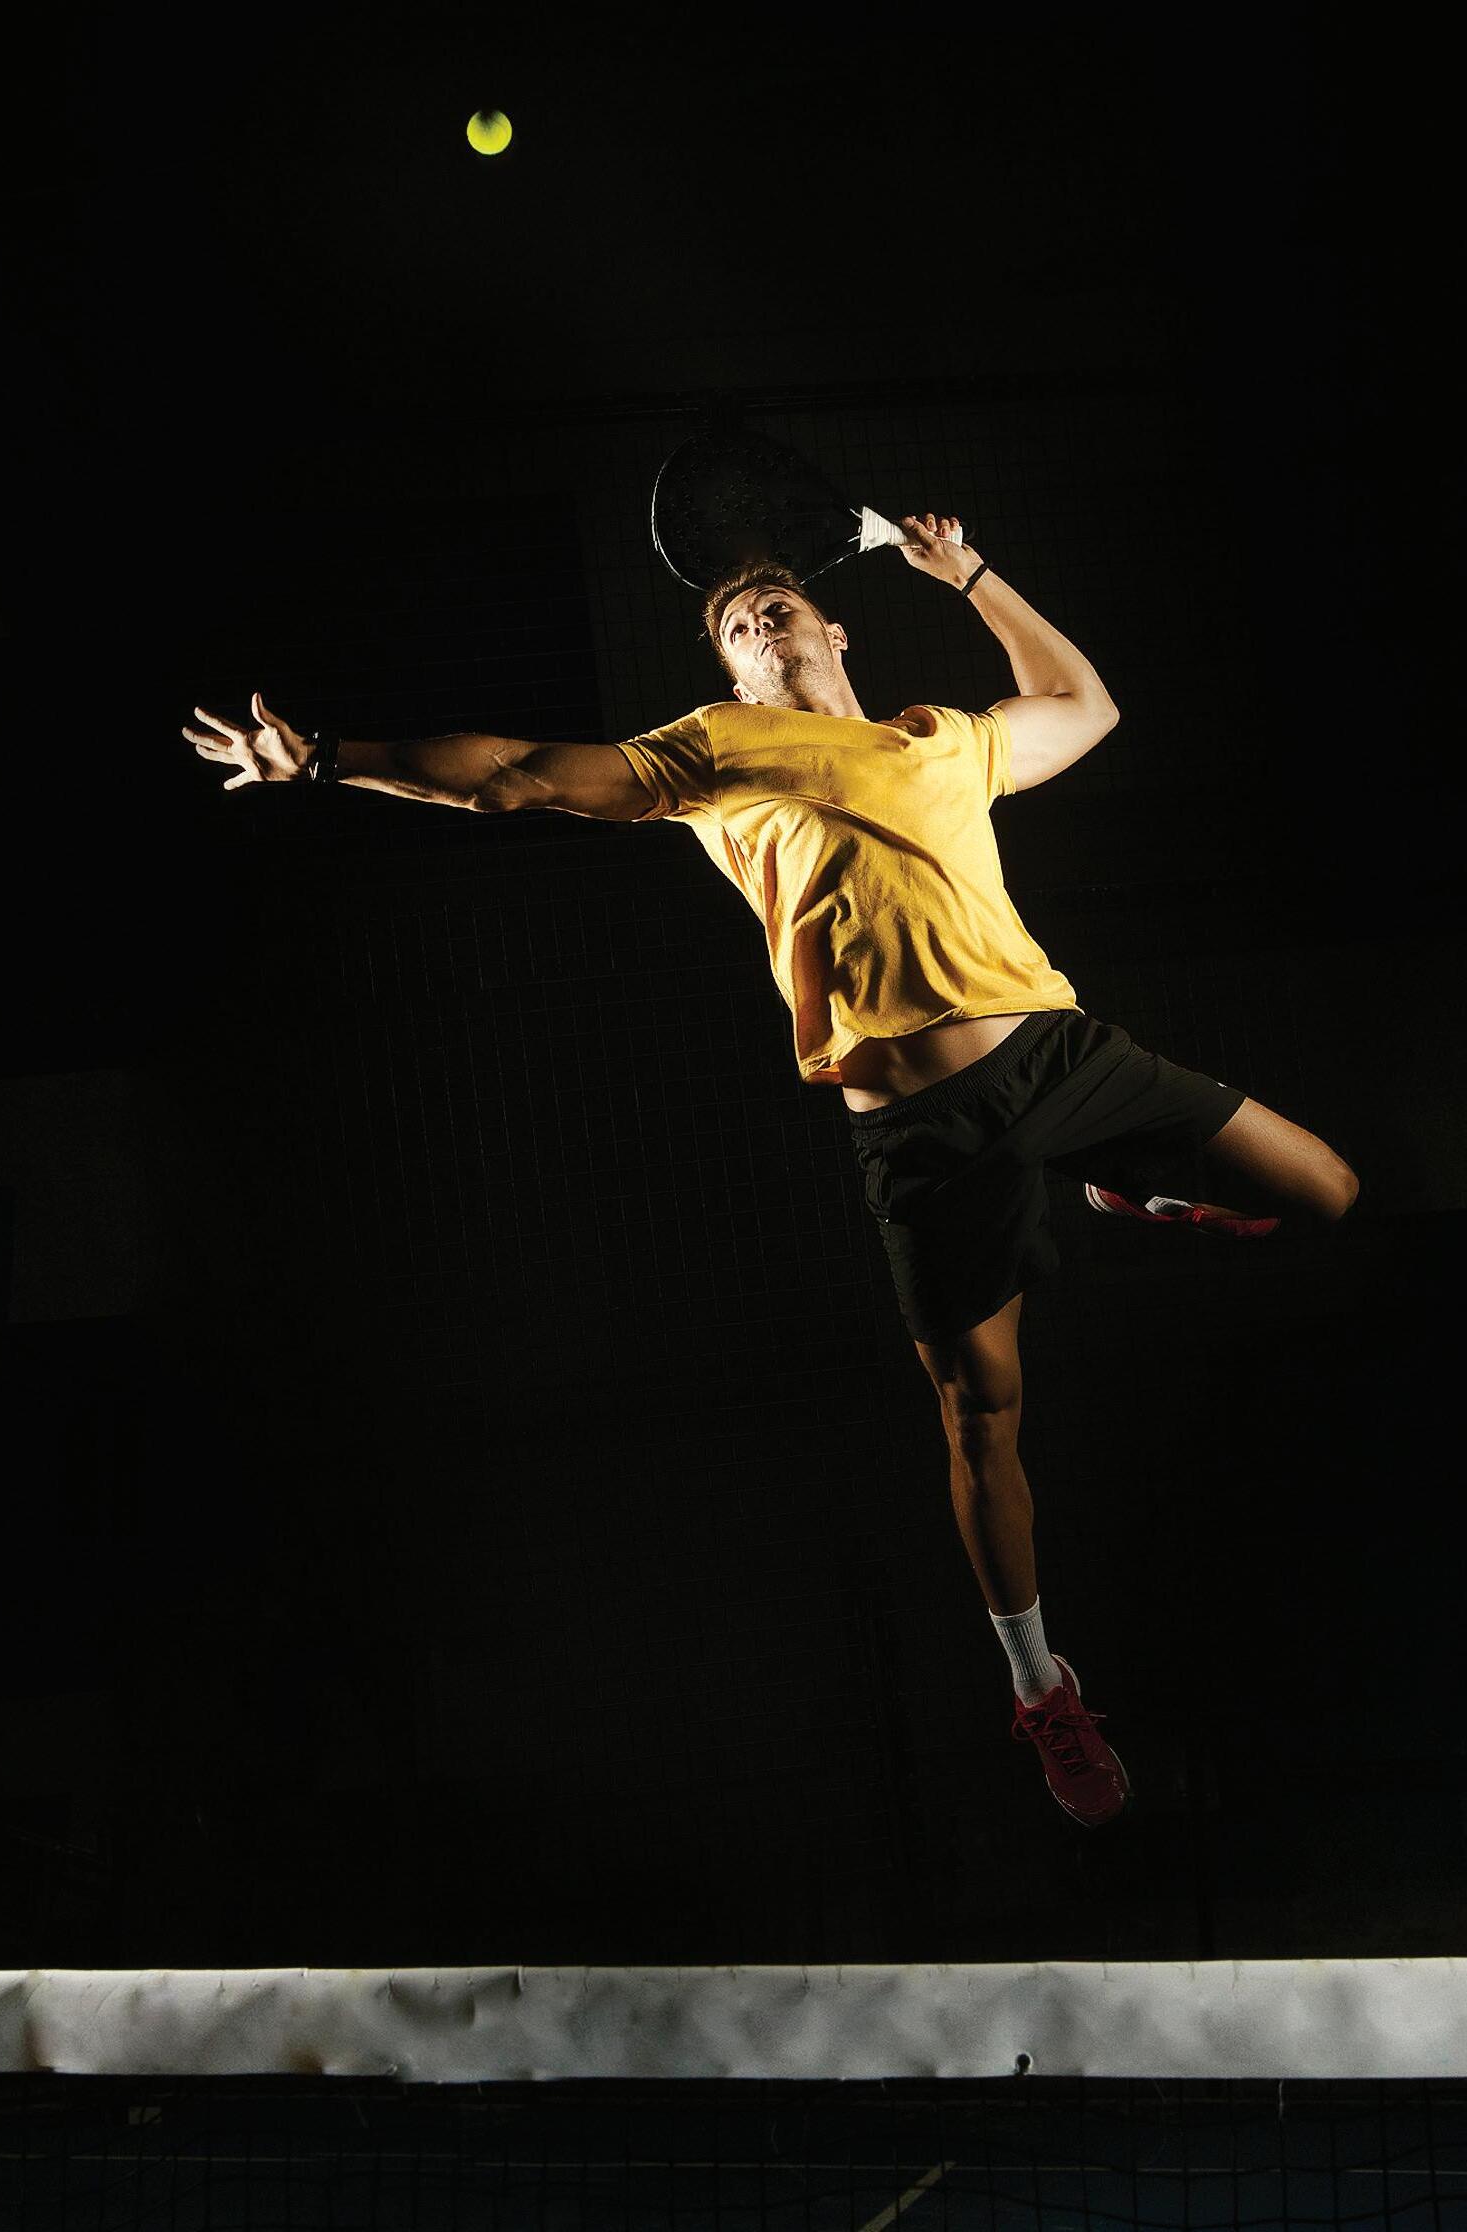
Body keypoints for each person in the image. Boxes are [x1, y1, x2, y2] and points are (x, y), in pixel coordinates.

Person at [185, 513, 1358, 1826]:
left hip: (1056, 1057)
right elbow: (512, 773)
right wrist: (326, 759)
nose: (756, 619)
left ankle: (1135, 1185)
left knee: (1325, 1194)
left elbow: (1083, 706)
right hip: (919, 1131)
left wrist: (967, 574)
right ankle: (1043, 1690)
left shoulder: (942, 742)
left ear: (831, 629)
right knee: (981, 1414)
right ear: (733, 670)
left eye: (777, 605)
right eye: (735, 623)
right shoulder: (715, 750)